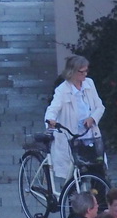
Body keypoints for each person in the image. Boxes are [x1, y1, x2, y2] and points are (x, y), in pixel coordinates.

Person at [44, 56, 105, 189]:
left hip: (90, 137)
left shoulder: (89, 84)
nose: (85, 74)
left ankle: (99, 201)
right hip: (73, 139)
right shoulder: (62, 90)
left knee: (98, 174)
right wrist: (50, 120)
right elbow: (53, 108)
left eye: (86, 71)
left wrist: (92, 118)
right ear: (72, 72)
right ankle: (72, 201)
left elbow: (100, 106)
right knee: (73, 178)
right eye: (81, 72)